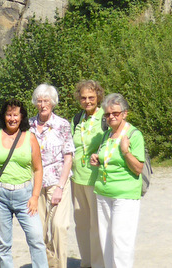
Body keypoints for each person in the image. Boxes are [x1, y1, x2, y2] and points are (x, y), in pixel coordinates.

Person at [0, 99, 48, 268]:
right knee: (3, 245)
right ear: (4, 116)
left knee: (36, 239)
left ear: (21, 116)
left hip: (25, 195)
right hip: (0, 196)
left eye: (15, 115)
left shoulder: (30, 138)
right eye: (8, 115)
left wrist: (35, 196)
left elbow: (38, 169)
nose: (12, 118)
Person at [90, 93, 145, 268]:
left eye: (115, 113)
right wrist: (97, 159)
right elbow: (109, 160)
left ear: (125, 113)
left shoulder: (134, 135)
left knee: (121, 242)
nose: (111, 117)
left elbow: (138, 168)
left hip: (124, 195)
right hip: (103, 194)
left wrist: (126, 152)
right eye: (107, 114)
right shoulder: (107, 135)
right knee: (106, 242)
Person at [29, 84, 74, 268]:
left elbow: (68, 157)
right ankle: (45, 264)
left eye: (46, 100)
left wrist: (60, 187)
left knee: (59, 227)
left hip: (58, 182)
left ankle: (60, 265)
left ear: (53, 102)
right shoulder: (28, 125)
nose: (42, 104)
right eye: (39, 101)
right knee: (38, 231)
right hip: (35, 185)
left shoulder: (62, 124)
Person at [71, 80, 105, 268]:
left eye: (91, 97)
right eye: (83, 98)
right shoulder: (77, 119)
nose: (87, 101)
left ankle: (99, 264)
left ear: (98, 97)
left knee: (97, 225)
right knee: (81, 224)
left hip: (97, 179)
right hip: (77, 178)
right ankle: (86, 262)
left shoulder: (105, 118)